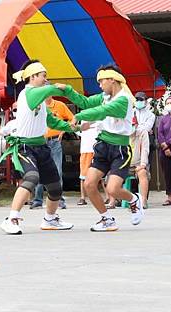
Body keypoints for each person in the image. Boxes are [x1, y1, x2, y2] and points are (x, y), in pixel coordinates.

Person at [56, 64, 145, 232]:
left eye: (101, 81)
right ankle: (106, 219)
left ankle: (134, 200)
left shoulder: (124, 99)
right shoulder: (105, 96)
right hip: (103, 145)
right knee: (89, 184)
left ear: (112, 80)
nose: (99, 85)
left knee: (113, 189)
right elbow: (86, 102)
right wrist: (67, 90)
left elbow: (101, 112)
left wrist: (79, 116)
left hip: (120, 149)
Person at [0, 59, 76, 234]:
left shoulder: (40, 99)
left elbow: (50, 120)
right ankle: (11, 218)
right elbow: (50, 89)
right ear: (32, 77)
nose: (46, 79)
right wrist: (64, 88)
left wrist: (72, 126)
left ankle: (50, 219)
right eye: (43, 76)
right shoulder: (29, 94)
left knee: (55, 187)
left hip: (42, 147)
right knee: (31, 178)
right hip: (26, 147)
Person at [30, 96, 74, 210]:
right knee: (40, 171)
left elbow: (72, 118)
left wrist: (64, 131)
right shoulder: (39, 106)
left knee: (57, 170)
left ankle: (59, 200)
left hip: (55, 141)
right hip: (41, 141)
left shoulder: (60, 105)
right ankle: (38, 200)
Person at [77, 125, 101, 205]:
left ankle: (107, 198)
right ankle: (82, 198)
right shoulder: (83, 118)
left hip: (97, 149)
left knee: (100, 175)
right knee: (83, 175)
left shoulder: (99, 118)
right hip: (85, 150)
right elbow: (76, 129)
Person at [134, 91, 156, 169]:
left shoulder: (151, 115)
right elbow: (127, 127)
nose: (138, 101)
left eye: (141, 99)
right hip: (132, 142)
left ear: (146, 101)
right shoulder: (130, 112)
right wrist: (141, 126)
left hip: (146, 142)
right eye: (136, 99)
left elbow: (147, 128)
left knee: (145, 166)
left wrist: (136, 127)